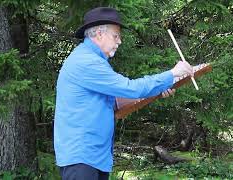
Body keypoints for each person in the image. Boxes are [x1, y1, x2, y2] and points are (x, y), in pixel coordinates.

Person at [54, 7, 194, 180]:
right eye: (116, 36)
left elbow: (117, 103)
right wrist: (172, 74)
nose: (119, 41)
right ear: (99, 34)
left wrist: (158, 90)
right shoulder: (86, 62)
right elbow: (131, 88)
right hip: (82, 157)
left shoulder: (94, 60)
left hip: (93, 156)